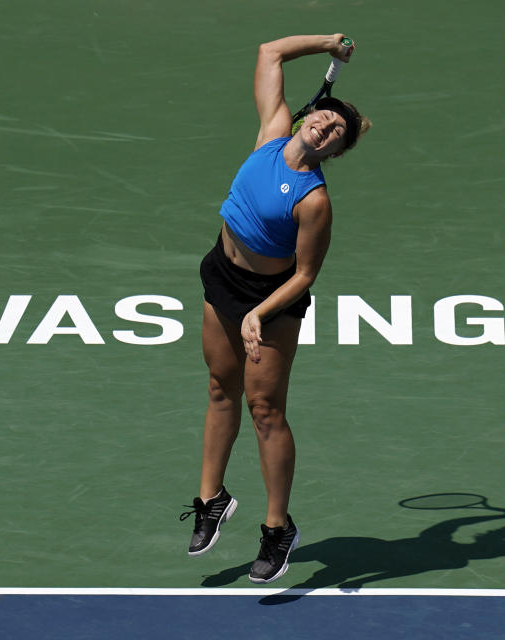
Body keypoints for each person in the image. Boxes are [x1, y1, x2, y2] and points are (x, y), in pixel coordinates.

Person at [181, 34, 370, 584]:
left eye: (338, 133)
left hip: (270, 302)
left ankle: (277, 528)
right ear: (307, 118)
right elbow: (268, 52)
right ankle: (210, 499)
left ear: (335, 152)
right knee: (220, 389)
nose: (328, 126)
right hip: (222, 275)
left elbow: (306, 274)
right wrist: (328, 42)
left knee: (266, 411)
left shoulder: (314, 200)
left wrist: (260, 313)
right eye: (326, 117)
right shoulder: (270, 133)